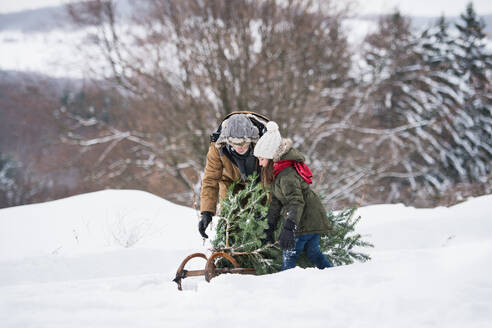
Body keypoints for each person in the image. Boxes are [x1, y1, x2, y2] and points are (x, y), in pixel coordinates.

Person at [253, 121, 333, 271]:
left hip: (306, 220)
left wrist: (289, 228)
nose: (260, 164)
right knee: (313, 253)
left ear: (271, 158)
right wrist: (269, 226)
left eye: (261, 159)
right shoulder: (278, 173)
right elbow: (277, 200)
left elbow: (296, 202)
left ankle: (285, 285)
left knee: (289, 255)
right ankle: (332, 273)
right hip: (310, 217)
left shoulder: (286, 175)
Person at [198, 112, 268, 238]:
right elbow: (210, 179)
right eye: (234, 144)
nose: (239, 147)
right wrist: (207, 212)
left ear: (251, 138)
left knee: (262, 228)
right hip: (231, 185)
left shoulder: (265, 143)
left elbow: (274, 177)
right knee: (232, 227)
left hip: (261, 184)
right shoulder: (217, 148)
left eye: (243, 143)